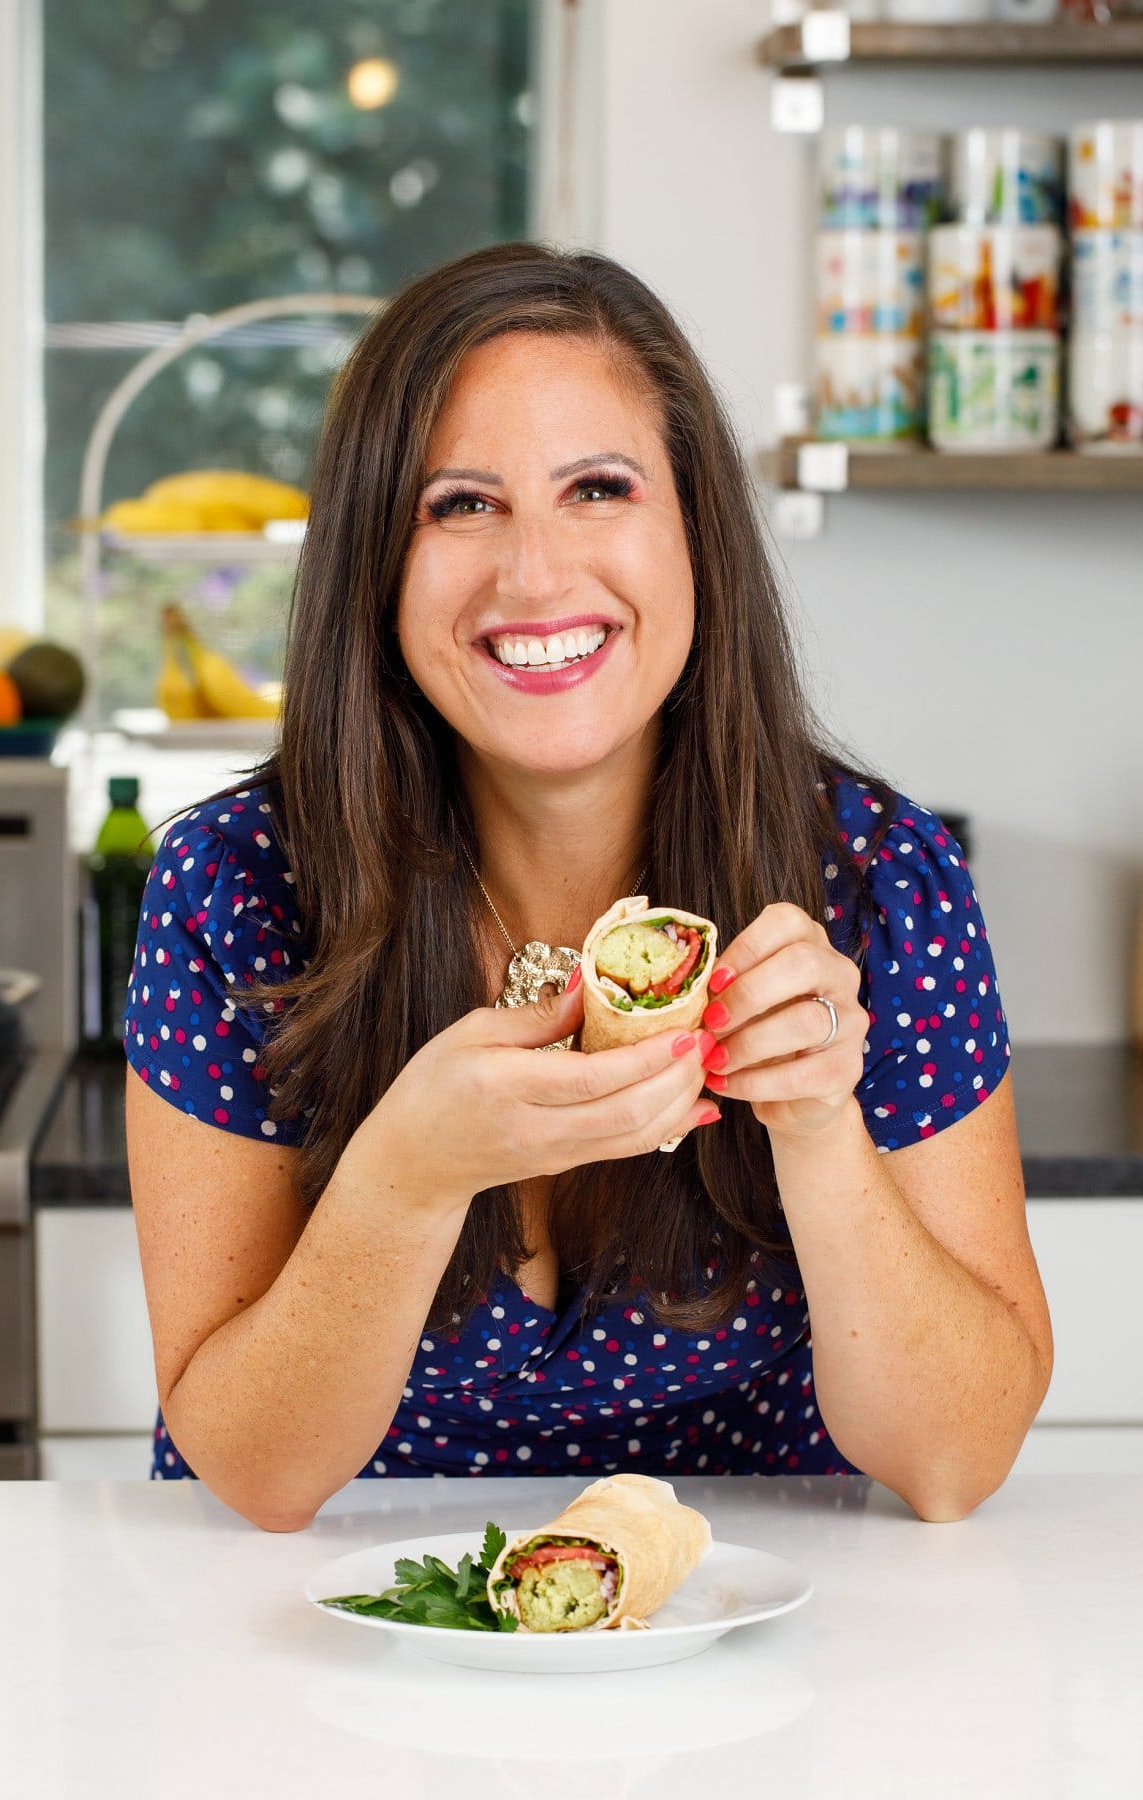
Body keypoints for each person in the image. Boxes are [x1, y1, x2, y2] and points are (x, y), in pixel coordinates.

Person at [124, 242, 1052, 1532]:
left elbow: (955, 1462)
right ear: (373, 564)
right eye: (460, 505)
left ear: (696, 533)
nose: (537, 576)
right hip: (329, 1644)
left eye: (598, 488)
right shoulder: (236, 885)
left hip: (772, 1660)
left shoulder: (878, 882)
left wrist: (823, 1127)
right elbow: (257, 1474)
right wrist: (404, 1178)